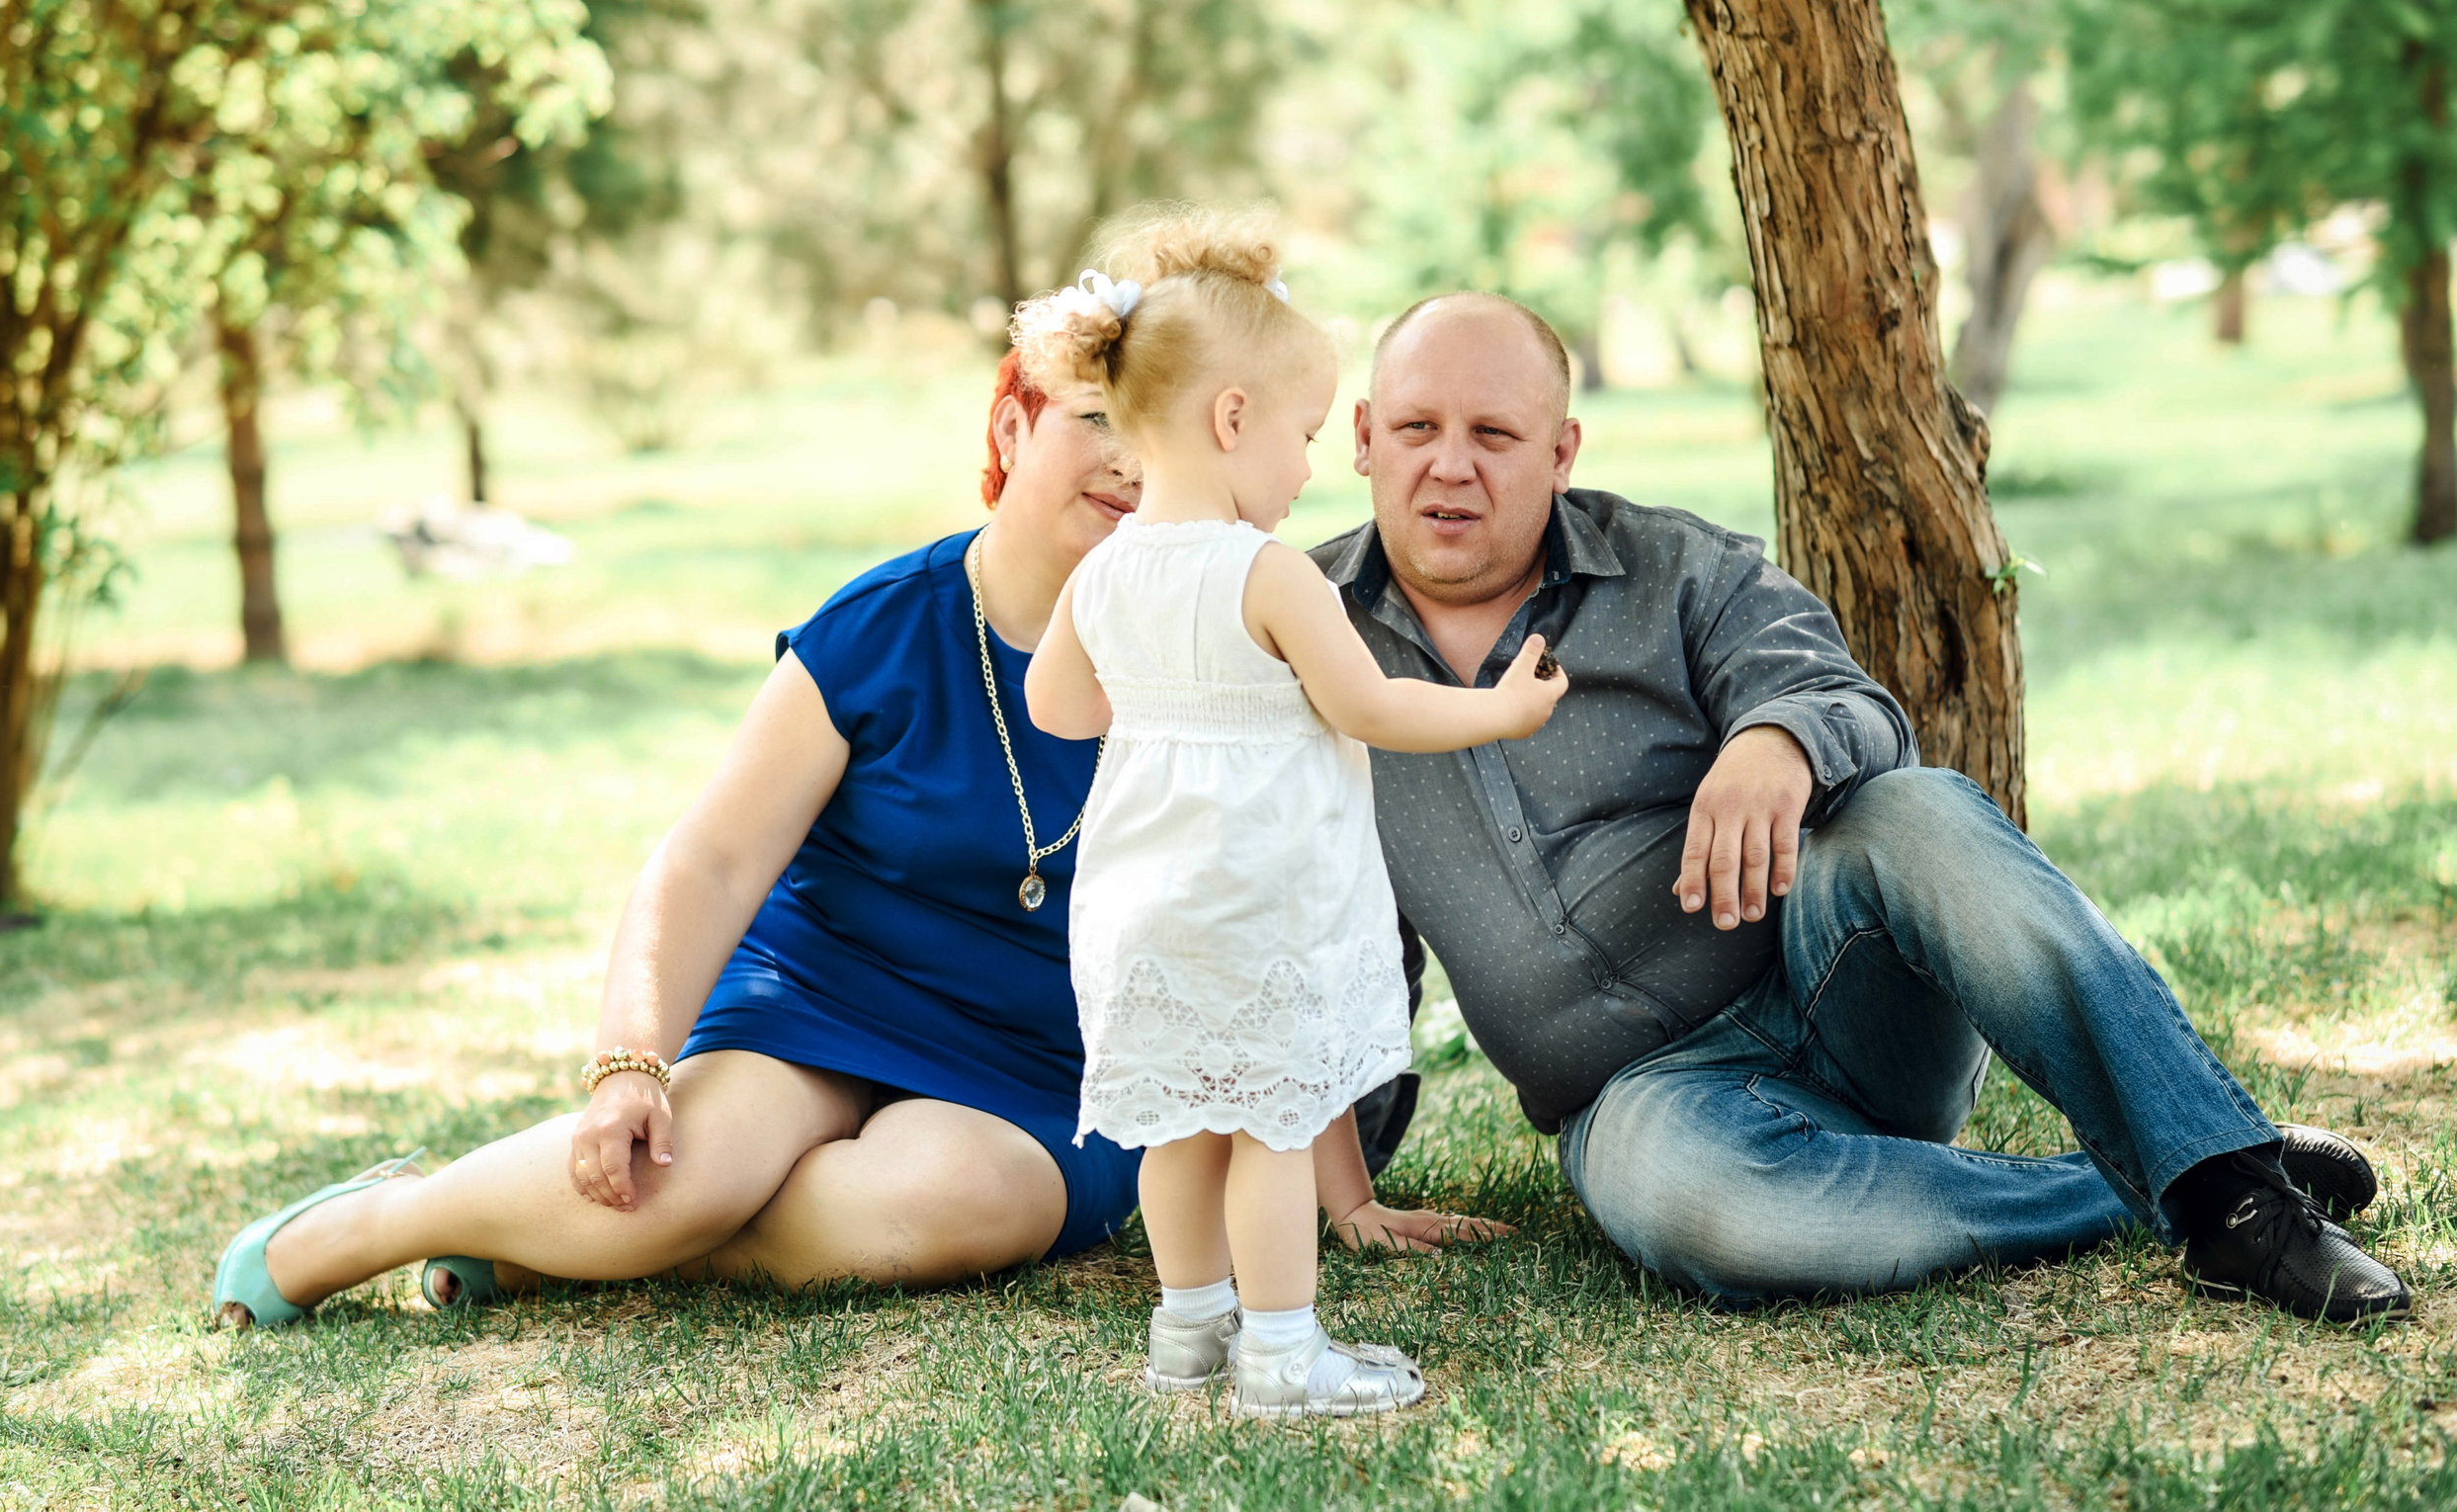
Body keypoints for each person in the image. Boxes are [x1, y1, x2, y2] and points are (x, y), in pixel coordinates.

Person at [212, 350, 1474, 1329]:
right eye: (1091, 417)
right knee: (682, 1165)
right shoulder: (882, 625)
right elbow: (706, 862)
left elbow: (1285, 908)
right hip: (824, 997)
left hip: (1059, 1068)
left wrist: (1339, 1179)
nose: (1127, 461)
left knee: (941, 1203)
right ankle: (383, 1218)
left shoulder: (1235, 641)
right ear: (1008, 428)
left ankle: (556, 1242)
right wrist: (629, 1061)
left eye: (1153, 424)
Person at [1306, 290, 2410, 1324]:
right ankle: (2138, 1183)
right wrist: (1322, 1169)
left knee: (1913, 811)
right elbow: (1316, 929)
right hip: (1643, 1104)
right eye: (1416, 428)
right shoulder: (1303, 645)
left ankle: (2236, 1198)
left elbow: (1842, 694)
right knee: (1707, 1214)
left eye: (1494, 435)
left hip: (1835, 982)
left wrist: (1775, 738)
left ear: (1561, 451)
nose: (1450, 465)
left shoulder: (1676, 570)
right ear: (1362, 436)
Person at [1021, 214, 1566, 1417]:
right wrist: (1501, 711)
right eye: (1303, 435)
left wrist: (1163, 702)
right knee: (1268, 1121)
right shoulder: (1268, 572)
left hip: (1141, 900)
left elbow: (1055, 706)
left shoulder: (1103, 572)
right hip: (1256, 894)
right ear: (1230, 420)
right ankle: (1279, 1349)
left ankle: (1189, 1328)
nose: (1311, 470)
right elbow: (1368, 704)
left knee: (1179, 1127)